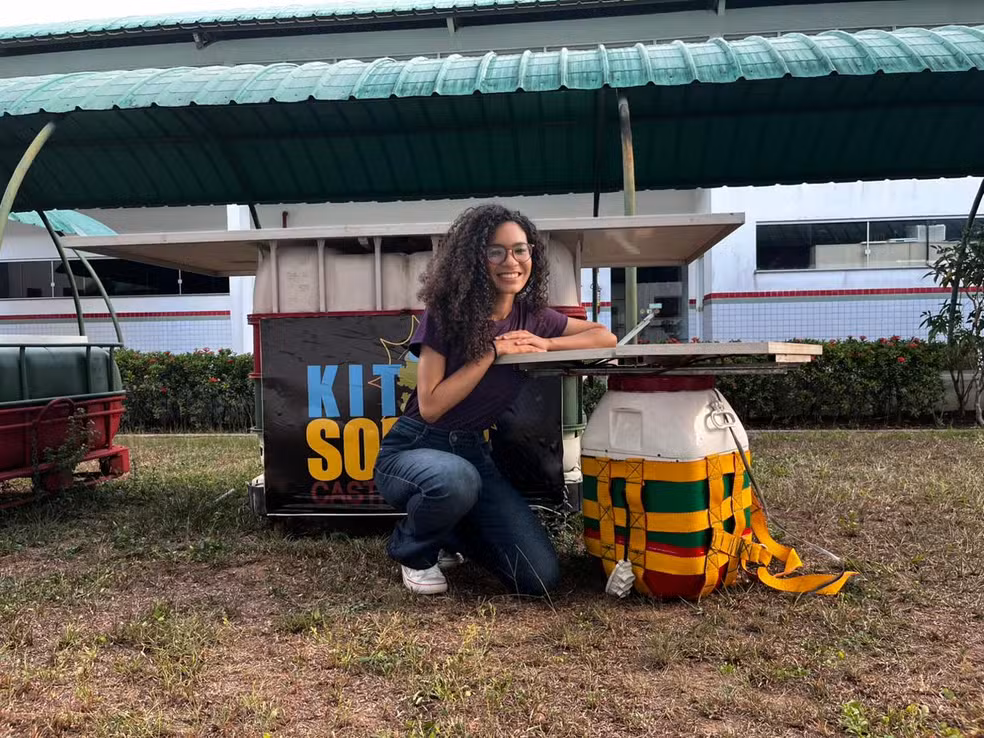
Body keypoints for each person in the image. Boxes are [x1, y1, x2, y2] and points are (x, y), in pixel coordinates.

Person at [373, 203, 617, 596]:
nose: (511, 261)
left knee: (539, 578)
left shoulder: (533, 318)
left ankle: (450, 533)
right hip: (415, 447)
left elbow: (604, 336)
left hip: (473, 452)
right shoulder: (447, 315)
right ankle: (413, 551)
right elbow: (431, 406)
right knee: (455, 480)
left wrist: (547, 343)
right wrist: (489, 353)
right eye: (496, 251)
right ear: (475, 258)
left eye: (520, 250)